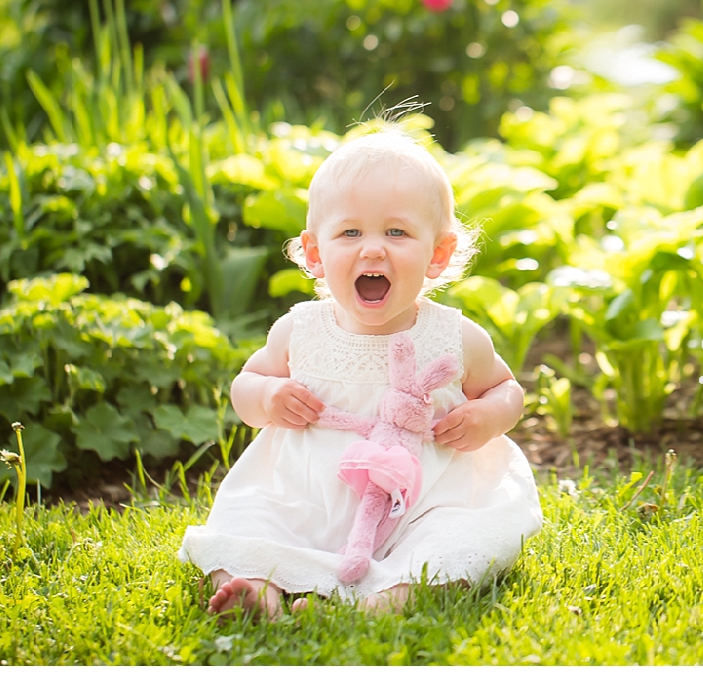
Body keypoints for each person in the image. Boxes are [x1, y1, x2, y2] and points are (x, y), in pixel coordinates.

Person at [178, 123, 542, 617]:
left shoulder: (456, 337)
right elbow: (246, 387)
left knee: (452, 543)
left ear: (438, 254)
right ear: (315, 254)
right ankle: (256, 590)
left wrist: (488, 418)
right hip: (303, 496)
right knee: (250, 520)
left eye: (397, 231)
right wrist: (268, 397)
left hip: (421, 502)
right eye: (350, 232)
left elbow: (506, 390)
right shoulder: (300, 331)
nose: (373, 249)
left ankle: (386, 601)